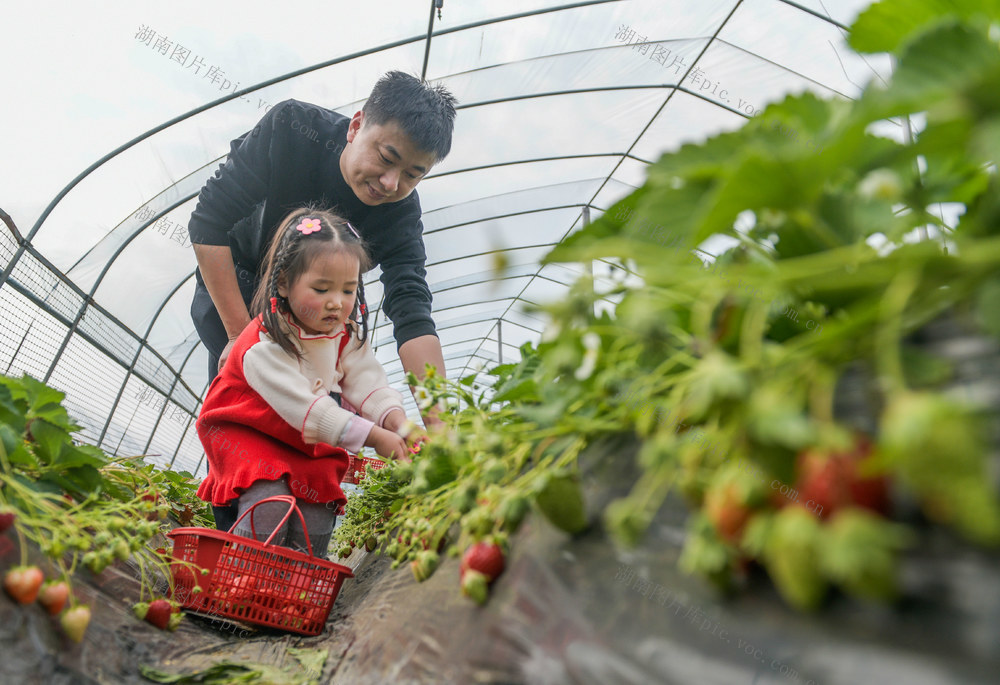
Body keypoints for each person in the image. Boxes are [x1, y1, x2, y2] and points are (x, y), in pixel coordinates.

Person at [188, 71, 456, 530]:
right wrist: (242, 339)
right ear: (356, 126)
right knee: (244, 419)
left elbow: (411, 310)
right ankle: (232, 532)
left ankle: (299, 529)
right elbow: (209, 222)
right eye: (387, 158)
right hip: (237, 288)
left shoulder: (399, 216)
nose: (392, 183)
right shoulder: (291, 131)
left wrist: (440, 426)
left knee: (310, 426)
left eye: (414, 175)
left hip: (319, 329)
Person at [196, 207, 417, 554]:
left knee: (314, 516)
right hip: (250, 431)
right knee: (270, 504)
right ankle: (242, 582)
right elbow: (306, 409)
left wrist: (396, 420)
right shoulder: (262, 344)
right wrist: (374, 437)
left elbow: (367, 381)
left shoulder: (344, 335)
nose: (336, 303)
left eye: (348, 290)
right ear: (283, 282)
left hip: (304, 438)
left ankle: (293, 594)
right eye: (321, 288)